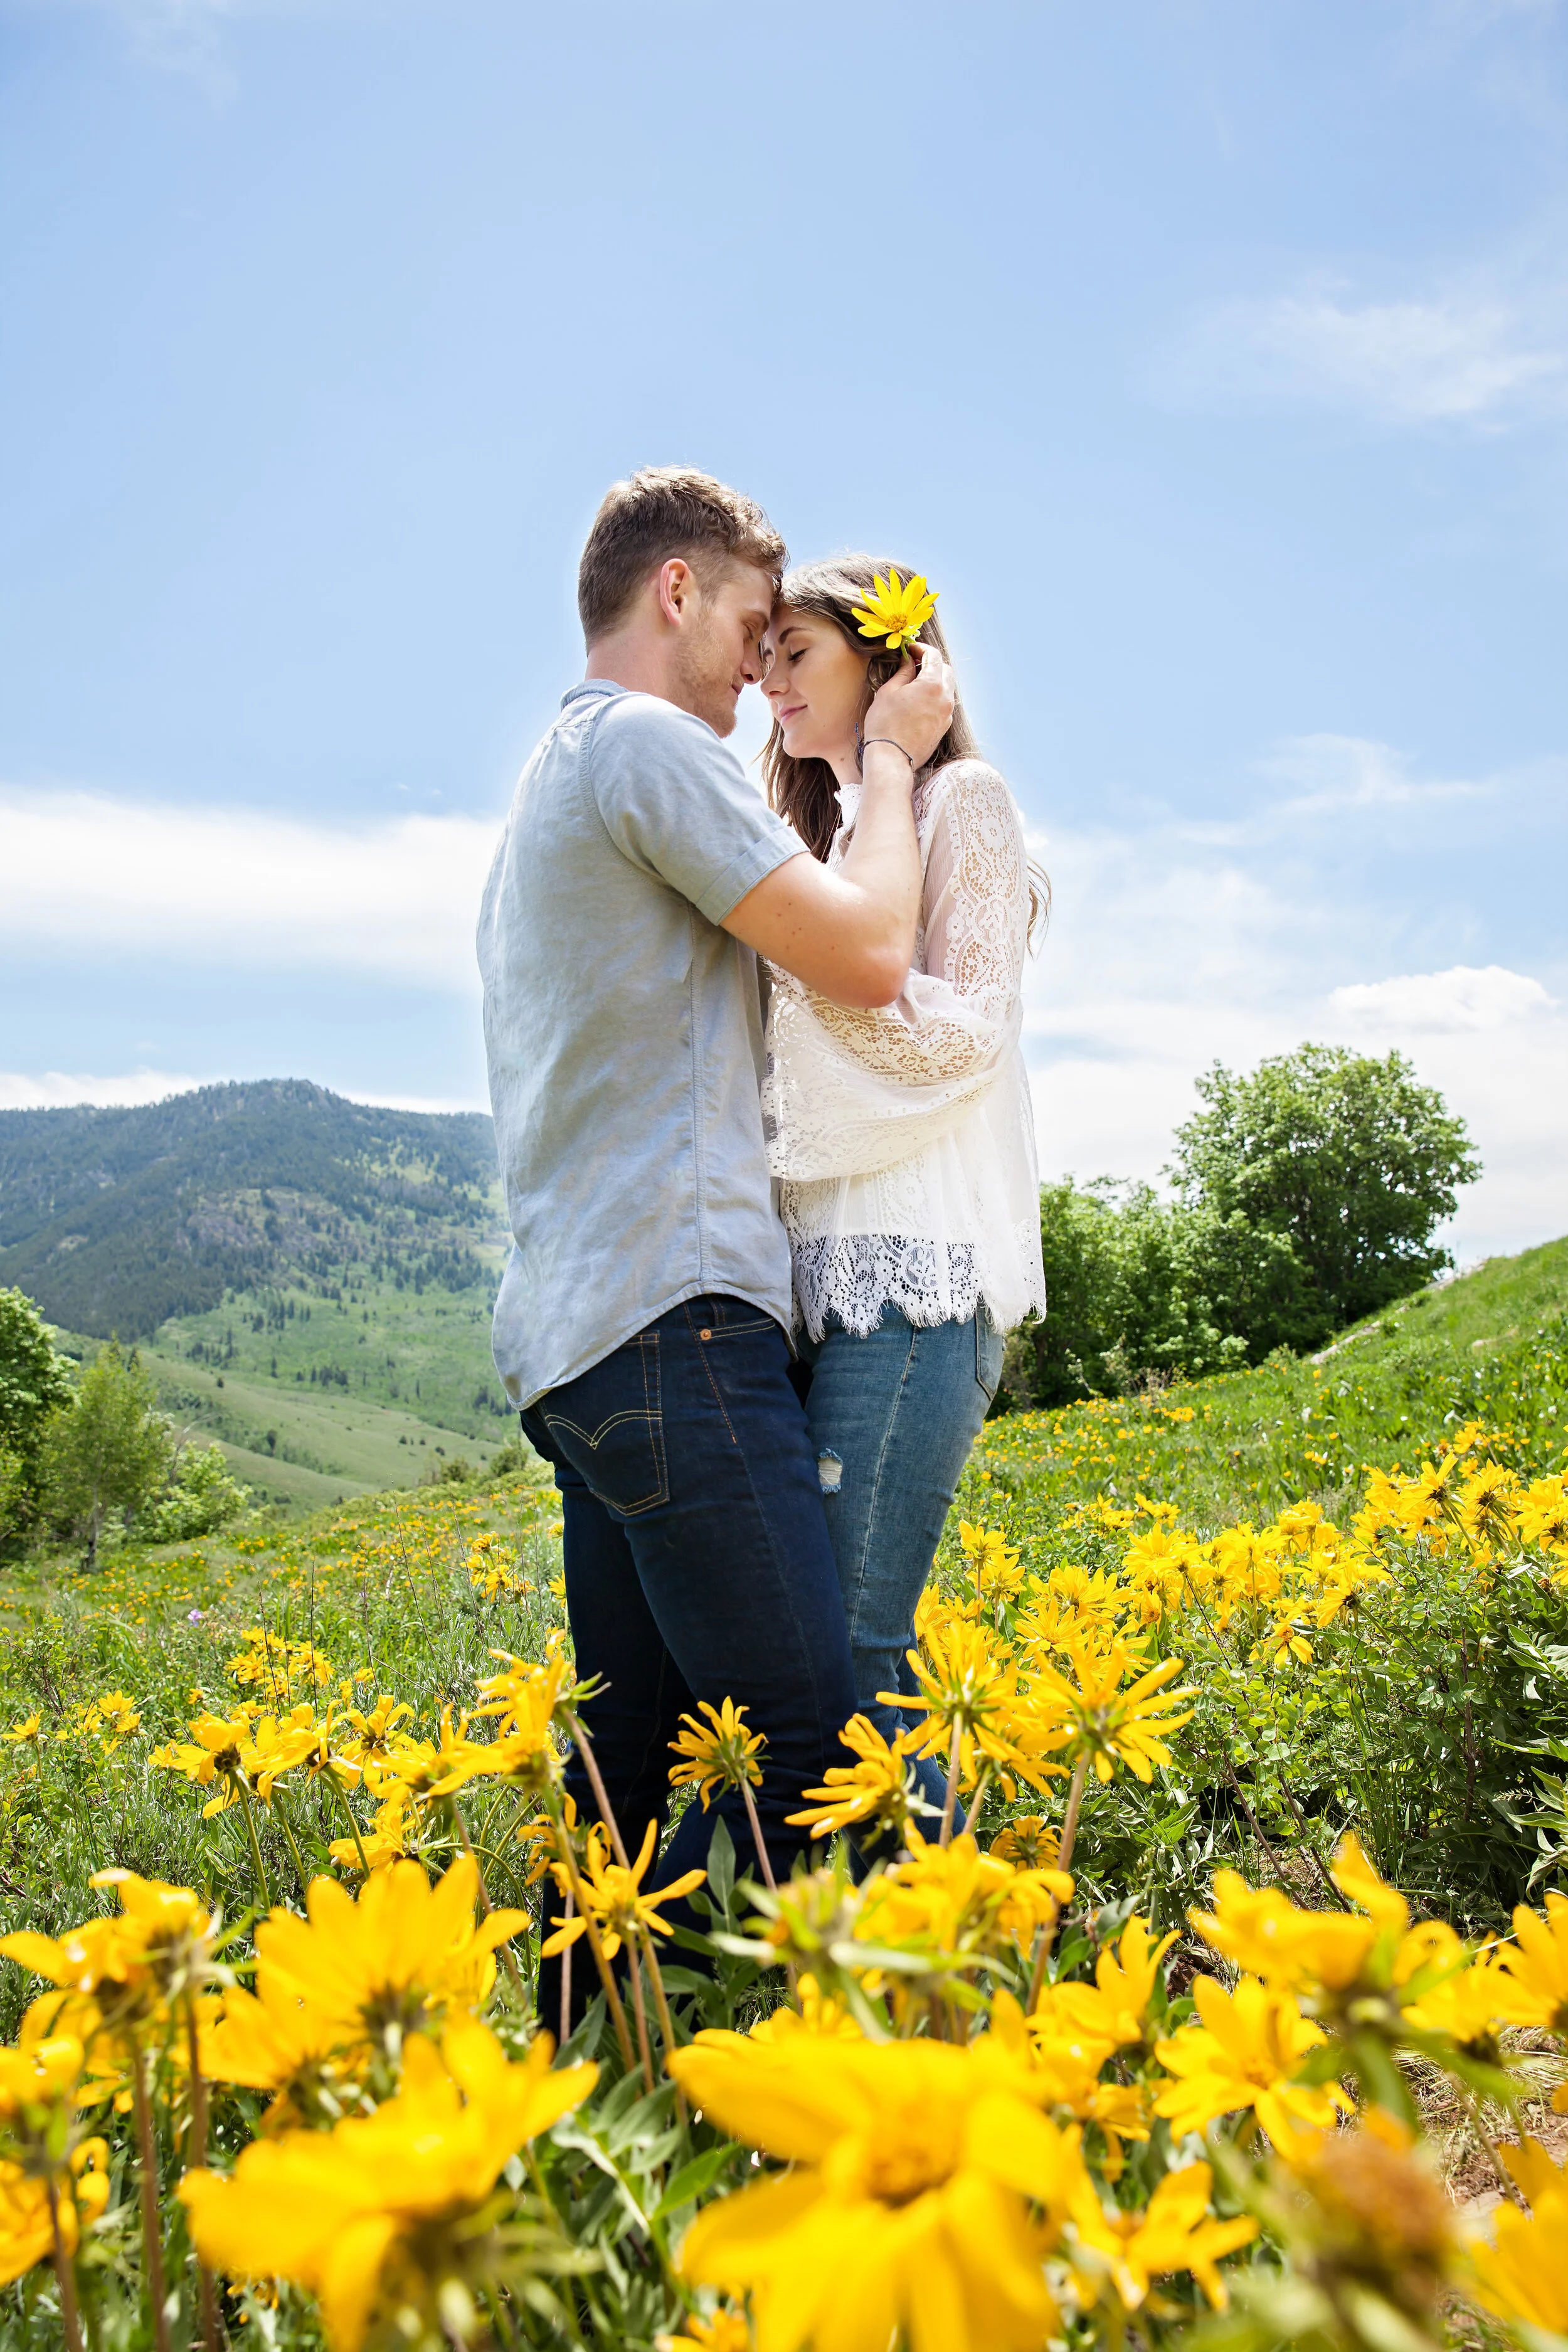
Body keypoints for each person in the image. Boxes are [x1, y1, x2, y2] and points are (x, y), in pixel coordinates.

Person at [477, 471, 955, 1914]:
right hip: (678, 1326)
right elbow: (869, 953)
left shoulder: (544, 783)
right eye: (752, 626)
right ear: (673, 591)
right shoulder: (643, 744)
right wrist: (887, 758)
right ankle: (893, 2105)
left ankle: (573, 2099)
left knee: (623, 1775)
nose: (758, 676)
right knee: (822, 1763)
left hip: (576, 1343)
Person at [759, 556, 1047, 1826]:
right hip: (831, 1296)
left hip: (915, 1281)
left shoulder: (960, 802)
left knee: (856, 1652)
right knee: (848, 1648)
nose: (766, 679)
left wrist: (797, 973)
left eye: (796, 651)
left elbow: (958, 1034)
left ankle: (943, 1957)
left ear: (890, 665)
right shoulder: (828, 844)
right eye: (761, 653)